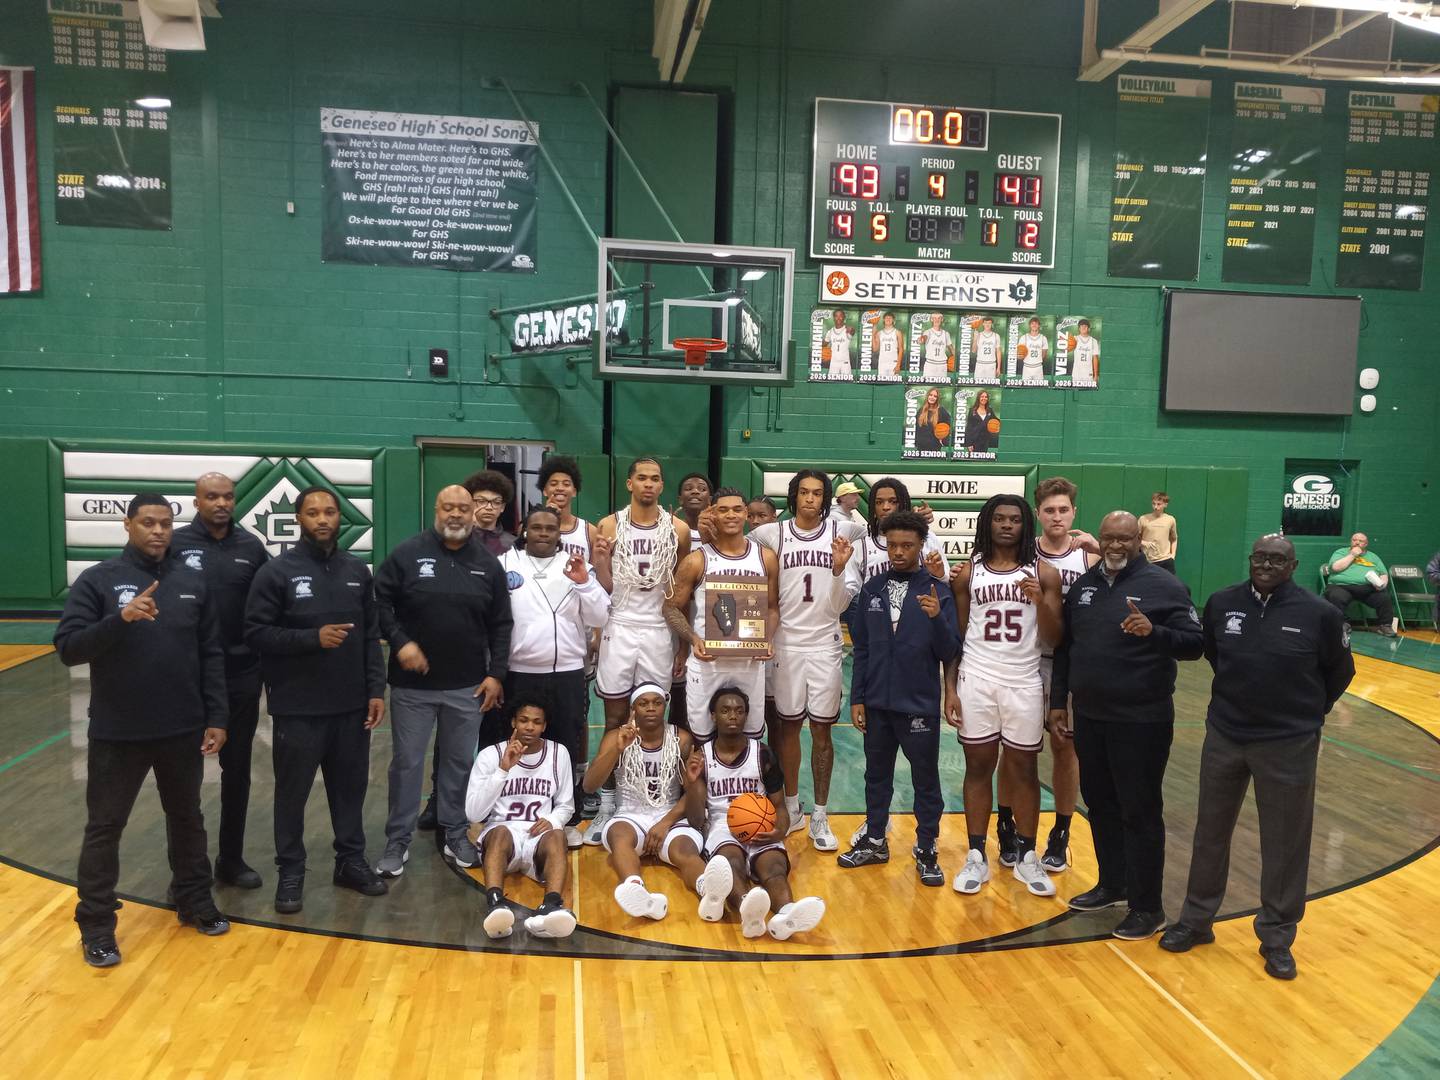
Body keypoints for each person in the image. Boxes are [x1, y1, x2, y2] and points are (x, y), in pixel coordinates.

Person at [1161, 535, 1354, 980]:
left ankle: (1277, 937)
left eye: (1277, 560)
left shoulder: (1319, 613)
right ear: (1250, 560)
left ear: (1293, 565)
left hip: (1288, 743)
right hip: (1226, 733)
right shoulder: (1223, 603)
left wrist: (1304, 714)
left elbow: (1339, 672)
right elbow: (1215, 653)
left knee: (1285, 841)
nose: (1266, 565)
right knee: (1210, 830)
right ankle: (1196, 920)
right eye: (1260, 558)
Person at [56, 494, 230, 967]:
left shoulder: (192, 582)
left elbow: (211, 654)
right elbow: (69, 648)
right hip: (118, 732)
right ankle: (95, 925)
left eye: (165, 524)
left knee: (187, 818)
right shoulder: (99, 580)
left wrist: (217, 717)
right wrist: (121, 620)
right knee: (105, 828)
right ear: (128, 525)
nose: (158, 531)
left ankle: (193, 900)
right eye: (148, 523)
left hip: (181, 728)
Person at [1049, 511, 1203, 940]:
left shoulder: (1165, 587)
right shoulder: (1085, 586)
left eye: (1124, 539)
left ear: (1139, 540)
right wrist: (1058, 700)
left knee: (1139, 811)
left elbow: (1195, 644)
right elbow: (1066, 648)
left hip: (1142, 720)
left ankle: (1147, 906)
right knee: (1099, 805)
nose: (1115, 546)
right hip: (1091, 717)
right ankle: (1113, 883)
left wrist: (1155, 633)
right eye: (1108, 539)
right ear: (1099, 539)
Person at [245, 486, 388, 914]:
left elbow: (368, 636)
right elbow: (255, 633)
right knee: (292, 795)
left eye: (330, 512)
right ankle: (291, 870)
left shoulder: (356, 571)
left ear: (339, 518)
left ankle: (350, 862)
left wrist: (375, 689)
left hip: (350, 708)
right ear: (299, 519)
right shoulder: (277, 573)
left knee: (349, 791)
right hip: (298, 709)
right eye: (313, 513)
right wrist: (312, 638)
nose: (323, 519)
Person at [373, 485, 512, 877]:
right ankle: (397, 841)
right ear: (436, 509)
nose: (455, 514)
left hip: (467, 687)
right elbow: (380, 602)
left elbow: (502, 624)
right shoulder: (407, 554)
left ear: (472, 514)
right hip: (412, 689)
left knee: (456, 764)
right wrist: (400, 642)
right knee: (407, 764)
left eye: (463, 509)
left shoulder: (487, 563)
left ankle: (455, 832)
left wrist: (495, 674)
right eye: (448, 507)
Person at [944, 495, 1063, 897]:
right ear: (987, 523)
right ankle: (976, 853)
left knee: (1023, 770)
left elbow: (1054, 637)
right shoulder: (967, 574)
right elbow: (956, 638)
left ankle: (1028, 857)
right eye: (999, 519)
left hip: (1024, 681)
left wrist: (1040, 600)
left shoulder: (1044, 573)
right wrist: (950, 688)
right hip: (976, 679)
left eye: (1015, 519)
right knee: (978, 767)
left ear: (1025, 525)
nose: (1007, 525)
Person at [839, 510, 961, 886]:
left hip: (918, 704)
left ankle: (926, 847)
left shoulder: (937, 590)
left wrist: (939, 617)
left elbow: (949, 650)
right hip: (876, 702)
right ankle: (875, 839)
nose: (898, 552)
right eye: (892, 545)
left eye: (907, 545)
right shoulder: (872, 587)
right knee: (876, 776)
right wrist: (857, 697)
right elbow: (860, 649)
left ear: (921, 546)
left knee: (926, 779)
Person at [748, 470, 861, 851]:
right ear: (793, 496)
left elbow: (841, 605)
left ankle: (821, 814)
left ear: (825, 498)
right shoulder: (770, 534)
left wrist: (840, 570)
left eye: (817, 493)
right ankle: (792, 807)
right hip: (785, 643)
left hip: (825, 642)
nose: (810, 499)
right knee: (787, 728)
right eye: (804, 493)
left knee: (822, 731)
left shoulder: (844, 533)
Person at [172, 472, 270, 889]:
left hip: (241, 677)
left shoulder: (251, 547)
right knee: (182, 778)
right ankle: (186, 872)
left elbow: (269, 605)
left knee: (238, 772)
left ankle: (230, 859)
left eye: (227, 497)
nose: (221, 503)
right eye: (211, 497)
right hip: (186, 679)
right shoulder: (174, 545)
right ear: (197, 501)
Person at [587, 458, 691, 843]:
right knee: (615, 715)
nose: (648, 484)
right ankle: (609, 803)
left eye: (655, 479)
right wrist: (599, 561)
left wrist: (681, 640)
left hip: (659, 629)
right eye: (642, 478)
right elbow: (605, 585)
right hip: (621, 624)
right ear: (630, 483)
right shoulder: (609, 525)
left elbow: (681, 592)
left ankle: (655, 800)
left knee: (652, 716)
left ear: (662, 486)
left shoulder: (678, 530)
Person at [498, 505, 611, 845]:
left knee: (564, 742)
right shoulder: (505, 564)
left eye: (551, 528)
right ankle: (515, 808)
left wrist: (583, 584)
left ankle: (565, 812)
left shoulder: (579, 567)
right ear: (525, 530)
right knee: (521, 741)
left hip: (567, 672)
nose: (544, 533)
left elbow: (600, 616)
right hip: (519, 672)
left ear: (560, 533)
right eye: (537, 527)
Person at [1014, 476, 1099, 874]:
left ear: (1074, 513)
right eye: (1049, 510)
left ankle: (1061, 833)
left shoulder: (1088, 557)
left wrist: (1099, 547)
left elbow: (1141, 580)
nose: (1057, 516)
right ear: (1038, 514)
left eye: (1064, 509)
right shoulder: (1023, 554)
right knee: (1017, 750)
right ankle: (1012, 825)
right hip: (1027, 659)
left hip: (1070, 665)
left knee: (1065, 749)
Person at [583, 685, 725, 921]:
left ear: (665, 706)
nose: (651, 708)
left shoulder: (681, 738)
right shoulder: (615, 737)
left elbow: (693, 791)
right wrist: (617, 750)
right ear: (633, 709)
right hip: (630, 814)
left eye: (657, 703)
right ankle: (637, 890)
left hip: (670, 814)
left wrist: (665, 823)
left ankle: (709, 892)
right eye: (644, 703)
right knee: (620, 837)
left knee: (686, 852)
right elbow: (589, 785)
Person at [700, 687, 826, 940]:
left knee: (774, 867)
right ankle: (748, 908)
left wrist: (779, 829)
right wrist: (693, 781)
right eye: (725, 711)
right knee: (730, 864)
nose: (733, 716)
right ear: (713, 716)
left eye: (739, 711)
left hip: (761, 824)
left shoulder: (763, 754)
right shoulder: (702, 755)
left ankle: (787, 915)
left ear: (747, 715)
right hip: (722, 826)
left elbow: (779, 805)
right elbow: (693, 814)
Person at [664, 487, 778, 739]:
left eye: (737, 509)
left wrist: (767, 639)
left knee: (750, 738)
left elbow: (772, 608)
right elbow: (670, 607)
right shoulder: (697, 560)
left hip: (749, 664)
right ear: (713, 514)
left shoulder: (765, 558)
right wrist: (693, 639)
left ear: (746, 514)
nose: (731, 515)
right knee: (701, 739)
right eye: (723, 510)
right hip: (708, 663)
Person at [467, 697, 577, 940]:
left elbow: (566, 805)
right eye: (524, 720)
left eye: (537, 722)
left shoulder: (559, 753)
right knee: (500, 832)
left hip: (538, 838)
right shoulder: (490, 755)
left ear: (544, 726)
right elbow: (474, 813)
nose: (530, 727)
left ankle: (550, 906)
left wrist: (553, 819)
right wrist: (503, 770)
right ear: (513, 722)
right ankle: (496, 904)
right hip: (502, 837)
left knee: (558, 834)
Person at [539, 454, 613, 592]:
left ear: (574, 491)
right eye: (553, 484)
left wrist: (602, 561)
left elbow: (605, 587)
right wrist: (548, 517)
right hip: (544, 604)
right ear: (544, 490)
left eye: (566, 484)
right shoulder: (532, 528)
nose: (560, 488)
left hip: (578, 606)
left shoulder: (589, 531)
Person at [1323, 532, 1396, 637]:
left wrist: (1382, 584)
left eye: (1360, 541)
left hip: (1367, 588)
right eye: (1354, 540)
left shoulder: (1373, 557)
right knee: (1336, 596)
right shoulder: (1340, 552)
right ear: (1350, 542)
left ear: (1366, 544)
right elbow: (1335, 567)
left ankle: (1385, 625)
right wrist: (1352, 554)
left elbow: (1383, 574)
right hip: (1341, 586)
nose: (1357, 542)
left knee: (1384, 597)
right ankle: (1342, 623)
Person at [464, 469, 517, 556]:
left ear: (502, 507)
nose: (489, 507)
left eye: (496, 502)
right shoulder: (459, 538)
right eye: (481, 501)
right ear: (470, 503)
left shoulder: (511, 544)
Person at [1139, 492, 1178, 575]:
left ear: (1165, 504)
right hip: (1147, 560)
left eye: (1159, 504)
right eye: (1153, 504)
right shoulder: (1143, 519)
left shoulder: (1170, 520)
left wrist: (1172, 555)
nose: (1155, 507)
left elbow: (1174, 539)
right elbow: (1134, 538)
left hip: (1165, 561)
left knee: (1168, 586)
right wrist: (1144, 543)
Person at [914, 388, 953, 453]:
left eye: (935, 396)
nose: (932, 397)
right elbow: (916, 428)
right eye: (931, 395)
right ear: (927, 396)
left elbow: (949, 425)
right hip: (920, 448)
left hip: (935, 448)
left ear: (937, 399)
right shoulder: (921, 411)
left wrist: (943, 439)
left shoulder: (941, 411)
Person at [919, 312, 954, 381]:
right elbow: (924, 337)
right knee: (927, 385)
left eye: (939, 318)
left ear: (942, 319)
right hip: (930, 364)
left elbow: (951, 348)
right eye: (934, 318)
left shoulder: (946, 334)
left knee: (941, 385)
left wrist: (957, 360)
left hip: (942, 365)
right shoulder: (928, 332)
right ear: (931, 319)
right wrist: (921, 339)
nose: (936, 320)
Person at [1017, 316, 1049, 383]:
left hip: (1038, 367)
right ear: (1029, 325)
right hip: (1027, 367)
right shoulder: (1024, 338)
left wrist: (1037, 361)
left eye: (1036, 324)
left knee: (1039, 388)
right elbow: (1019, 354)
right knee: (1025, 388)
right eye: (1032, 323)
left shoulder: (1043, 338)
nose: (1034, 325)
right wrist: (1020, 356)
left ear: (1039, 326)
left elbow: (1044, 353)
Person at [825, 309, 854, 381]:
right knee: (831, 383)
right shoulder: (830, 332)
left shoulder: (847, 330)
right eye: (836, 316)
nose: (838, 318)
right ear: (834, 318)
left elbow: (852, 331)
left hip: (845, 362)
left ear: (844, 317)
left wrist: (852, 330)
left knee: (847, 383)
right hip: (834, 362)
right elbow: (824, 344)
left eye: (840, 316)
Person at [874, 310, 904, 379]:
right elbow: (875, 349)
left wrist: (898, 365)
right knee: (882, 383)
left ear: (893, 320)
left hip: (893, 362)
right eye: (886, 318)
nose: (888, 319)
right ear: (883, 320)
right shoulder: (879, 333)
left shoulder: (897, 332)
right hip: (882, 363)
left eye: (890, 318)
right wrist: (873, 335)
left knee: (894, 384)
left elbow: (901, 349)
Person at [972, 315, 1002, 383]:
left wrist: (998, 367)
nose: (987, 324)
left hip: (991, 364)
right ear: (983, 324)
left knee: (990, 384)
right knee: (977, 383)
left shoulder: (996, 336)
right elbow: (974, 350)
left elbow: (998, 351)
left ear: (992, 324)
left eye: (989, 323)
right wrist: (975, 339)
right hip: (980, 363)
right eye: (986, 323)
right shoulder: (978, 335)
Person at [1071, 319, 1099, 384]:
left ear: (1088, 329)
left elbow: (1095, 359)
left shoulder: (1093, 341)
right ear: (1079, 328)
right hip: (1077, 373)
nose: (1083, 327)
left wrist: (1095, 375)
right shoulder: (1074, 339)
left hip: (1088, 373)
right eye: (1081, 326)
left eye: (1085, 326)